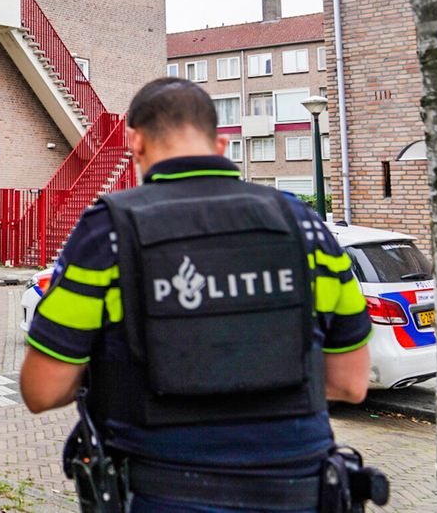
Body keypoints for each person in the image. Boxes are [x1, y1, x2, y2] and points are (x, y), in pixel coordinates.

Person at [21, 78, 374, 513]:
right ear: (221, 144)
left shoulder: (108, 233)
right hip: (300, 492)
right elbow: (351, 384)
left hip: (159, 493)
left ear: (134, 142)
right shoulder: (306, 227)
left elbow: (41, 390)